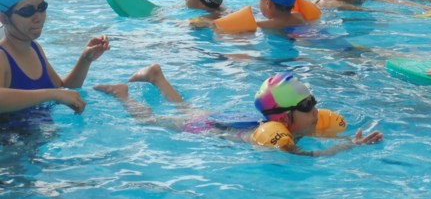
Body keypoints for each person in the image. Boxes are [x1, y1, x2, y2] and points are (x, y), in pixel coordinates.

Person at [94, 65, 383, 156]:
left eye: (313, 101)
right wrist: (349, 146)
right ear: (284, 118)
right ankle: (123, 95)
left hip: (231, 122)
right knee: (150, 121)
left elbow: (317, 141)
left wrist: (347, 140)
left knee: (187, 108)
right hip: (210, 130)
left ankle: (158, 77)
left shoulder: (286, 125)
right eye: (307, 106)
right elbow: (309, 157)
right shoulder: (280, 140)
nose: (316, 110)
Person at [0, 0, 110, 127]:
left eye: (42, 7)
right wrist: (52, 94)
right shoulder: (2, 56)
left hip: (37, 137)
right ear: (4, 18)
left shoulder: (34, 48)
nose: (38, 17)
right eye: (27, 11)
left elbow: (63, 90)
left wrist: (85, 60)